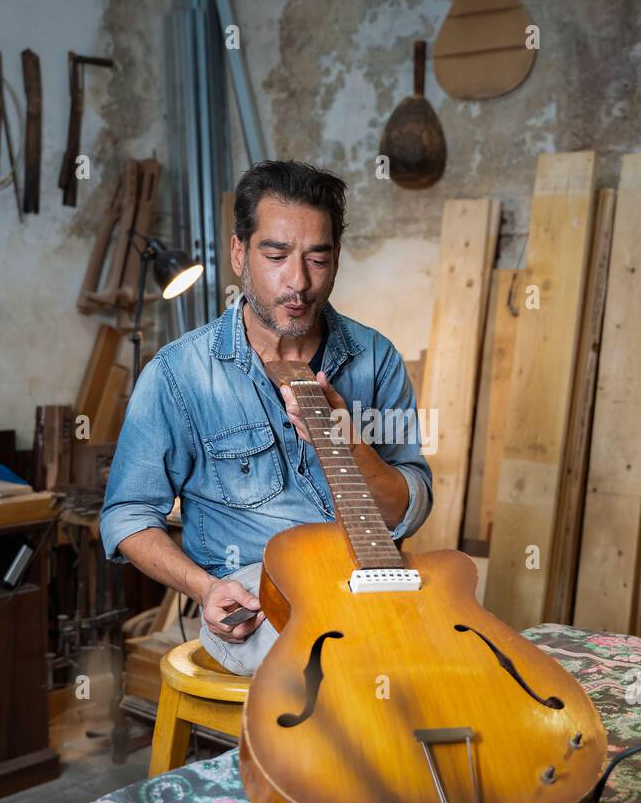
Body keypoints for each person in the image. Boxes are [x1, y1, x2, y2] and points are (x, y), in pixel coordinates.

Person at [100, 160, 432, 675]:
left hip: (371, 583)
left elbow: (408, 506)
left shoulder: (375, 358)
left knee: (466, 659)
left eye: (317, 259)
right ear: (239, 253)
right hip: (255, 596)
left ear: (337, 259)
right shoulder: (178, 374)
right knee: (338, 669)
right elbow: (127, 515)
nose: (297, 282)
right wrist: (205, 587)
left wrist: (350, 444)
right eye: (275, 255)